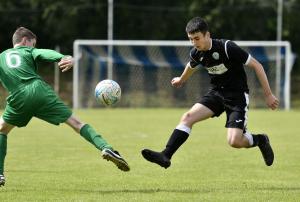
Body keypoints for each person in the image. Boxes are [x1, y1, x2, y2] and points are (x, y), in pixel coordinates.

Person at [141, 17, 279, 169]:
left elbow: (257, 65)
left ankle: (261, 140)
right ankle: (166, 155)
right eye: (191, 39)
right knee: (187, 117)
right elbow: (191, 66)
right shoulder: (196, 53)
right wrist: (181, 80)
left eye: (197, 38)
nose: (194, 43)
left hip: (237, 96)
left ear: (207, 35)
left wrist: (268, 94)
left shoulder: (227, 47)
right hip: (216, 94)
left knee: (234, 141)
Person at [0, 27, 130, 186]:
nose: (33, 48)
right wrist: (65, 57)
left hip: (18, 97)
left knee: (2, 130)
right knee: (76, 123)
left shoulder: (2, 57)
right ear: (26, 41)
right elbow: (44, 53)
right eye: (33, 44)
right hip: (39, 91)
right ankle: (106, 147)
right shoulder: (28, 51)